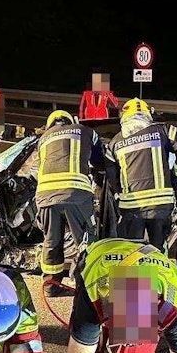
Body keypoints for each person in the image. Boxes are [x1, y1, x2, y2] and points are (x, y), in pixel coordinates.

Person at [108, 98, 177, 251]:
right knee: (158, 251)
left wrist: (119, 193)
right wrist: (174, 177)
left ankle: (134, 275)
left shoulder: (115, 142)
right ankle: (155, 274)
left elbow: (111, 175)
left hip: (131, 206)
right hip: (160, 204)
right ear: (147, 114)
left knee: (130, 253)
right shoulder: (163, 130)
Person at [35, 110, 107, 296]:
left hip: (45, 196)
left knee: (51, 241)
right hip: (75, 194)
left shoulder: (42, 139)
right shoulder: (85, 131)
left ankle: (51, 286)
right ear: (70, 120)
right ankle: (85, 287)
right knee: (85, 240)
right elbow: (99, 159)